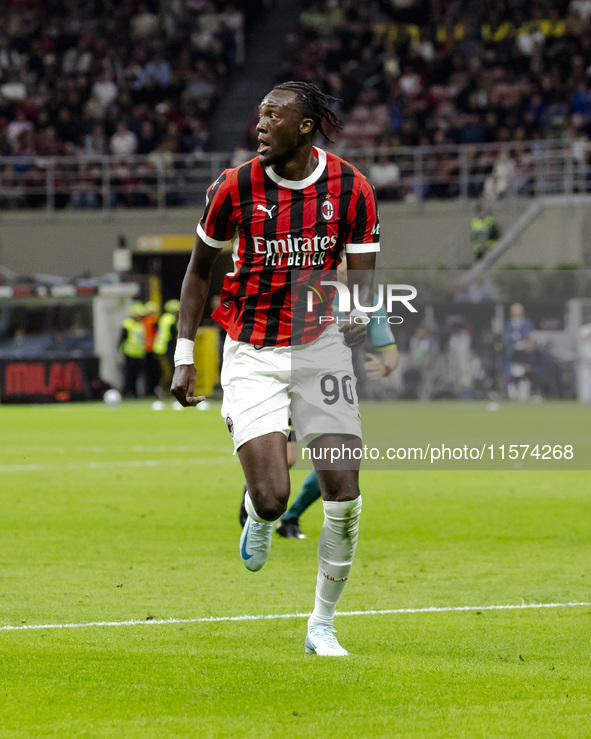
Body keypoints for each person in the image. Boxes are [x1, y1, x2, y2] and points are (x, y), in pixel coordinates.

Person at [171, 81, 379, 657]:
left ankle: (322, 625)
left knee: (345, 489)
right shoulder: (234, 186)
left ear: (305, 126)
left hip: (321, 350)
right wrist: (185, 354)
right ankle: (259, 516)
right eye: (259, 114)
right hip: (252, 353)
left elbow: (362, 276)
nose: (259, 124)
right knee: (272, 498)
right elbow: (197, 272)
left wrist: (361, 314)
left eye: (272, 115)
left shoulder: (351, 188)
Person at [119, 302, 146, 397]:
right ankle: (127, 392)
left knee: (137, 375)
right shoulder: (127, 324)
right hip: (129, 353)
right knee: (128, 375)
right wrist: (119, 350)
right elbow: (122, 338)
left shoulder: (140, 325)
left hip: (139, 354)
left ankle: (135, 393)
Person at [153, 299, 180, 396]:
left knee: (168, 371)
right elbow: (172, 336)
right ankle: (162, 389)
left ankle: (166, 390)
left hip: (160, 348)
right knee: (169, 371)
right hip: (165, 349)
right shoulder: (171, 320)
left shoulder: (164, 318)